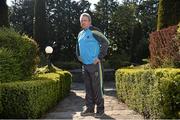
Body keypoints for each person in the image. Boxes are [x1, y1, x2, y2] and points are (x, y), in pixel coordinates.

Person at [76, 13, 109, 118]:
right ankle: (90, 109)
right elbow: (78, 46)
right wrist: (78, 56)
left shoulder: (94, 31)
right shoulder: (80, 34)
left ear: (89, 21)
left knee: (97, 88)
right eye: (81, 21)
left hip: (95, 65)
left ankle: (100, 110)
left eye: (85, 20)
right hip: (84, 65)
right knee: (88, 88)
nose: (83, 22)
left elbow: (105, 42)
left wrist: (99, 57)